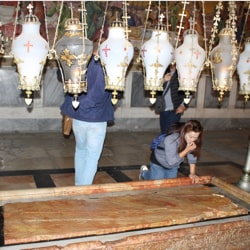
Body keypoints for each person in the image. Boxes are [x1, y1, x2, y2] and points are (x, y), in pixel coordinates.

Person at [60, 39, 114, 186]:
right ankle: (83, 188)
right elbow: (115, 93)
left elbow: (65, 81)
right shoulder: (109, 68)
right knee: (92, 156)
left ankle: (79, 183)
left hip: (78, 116)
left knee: (80, 150)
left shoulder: (80, 64)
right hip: (97, 119)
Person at [139, 120, 203, 184]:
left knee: (169, 184)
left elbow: (192, 157)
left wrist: (192, 173)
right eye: (190, 137)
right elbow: (171, 161)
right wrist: (186, 150)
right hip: (159, 161)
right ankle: (144, 173)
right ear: (184, 132)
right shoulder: (171, 139)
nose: (192, 140)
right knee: (157, 183)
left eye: (195, 137)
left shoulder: (194, 140)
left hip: (174, 164)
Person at [159, 63, 188, 134]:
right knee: (163, 132)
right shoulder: (163, 72)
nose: (172, 64)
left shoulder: (182, 74)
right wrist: (163, 80)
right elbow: (154, 87)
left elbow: (189, 92)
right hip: (163, 108)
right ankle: (164, 144)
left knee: (170, 132)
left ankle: (168, 144)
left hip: (175, 109)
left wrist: (183, 105)